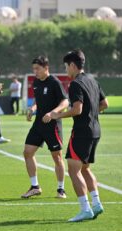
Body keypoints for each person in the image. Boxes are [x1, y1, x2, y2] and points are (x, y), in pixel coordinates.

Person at [49, 49, 108, 222]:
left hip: (82, 132)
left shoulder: (76, 84)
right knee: (85, 168)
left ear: (73, 66)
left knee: (74, 171)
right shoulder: (92, 80)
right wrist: (92, 113)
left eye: (67, 66)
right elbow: (104, 103)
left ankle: (85, 209)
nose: (66, 70)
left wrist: (57, 115)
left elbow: (77, 109)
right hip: (96, 130)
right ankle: (97, 204)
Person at [21, 56, 69, 199]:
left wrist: (53, 113)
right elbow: (38, 99)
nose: (35, 71)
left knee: (57, 157)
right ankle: (35, 186)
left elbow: (65, 102)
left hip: (52, 125)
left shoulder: (54, 82)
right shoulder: (36, 82)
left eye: (37, 68)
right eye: (33, 69)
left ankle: (61, 189)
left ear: (46, 68)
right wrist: (33, 108)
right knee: (27, 152)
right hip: (38, 124)